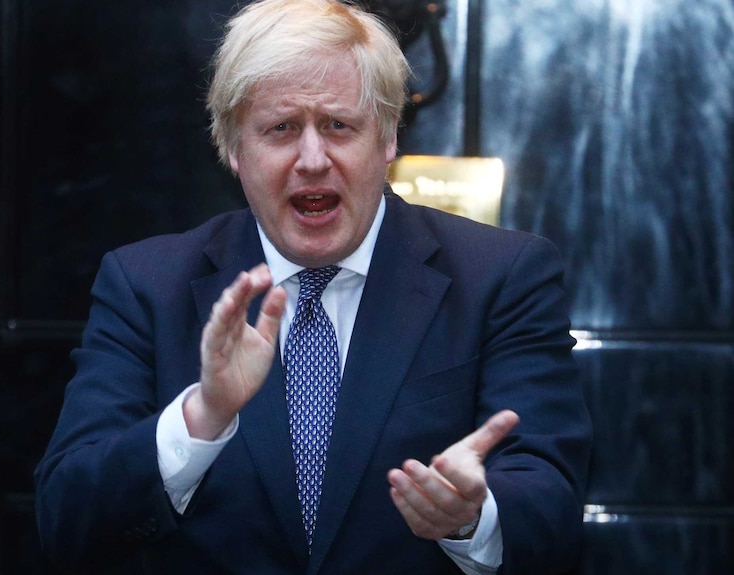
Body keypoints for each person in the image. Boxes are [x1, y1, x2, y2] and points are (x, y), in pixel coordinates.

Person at [34, 0, 592, 573]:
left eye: (339, 125)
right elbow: (68, 519)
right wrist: (200, 419)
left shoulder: (501, 276)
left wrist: (472, 519)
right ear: (232, 149)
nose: (312, 159)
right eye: (280, 129)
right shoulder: (146, 286)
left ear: (388, 137)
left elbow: (551, 508)